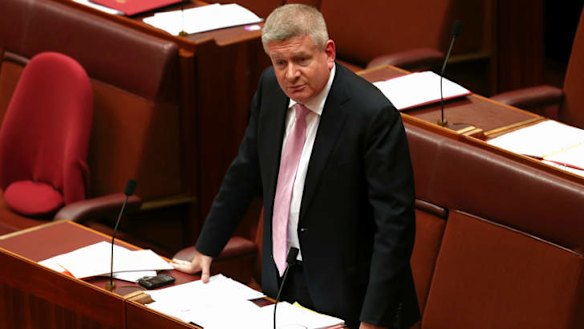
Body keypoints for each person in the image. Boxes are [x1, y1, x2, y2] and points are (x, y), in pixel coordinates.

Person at [172, 4, 419, 329]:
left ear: (328, 52)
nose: (290, 74)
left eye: (302, 60)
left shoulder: (371, 116)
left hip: (350, 295)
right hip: (284, 279)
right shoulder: (270, 90)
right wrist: (206, 248)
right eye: (280, 63)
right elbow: (245, 170)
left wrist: (373, 319)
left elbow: (395, 225)